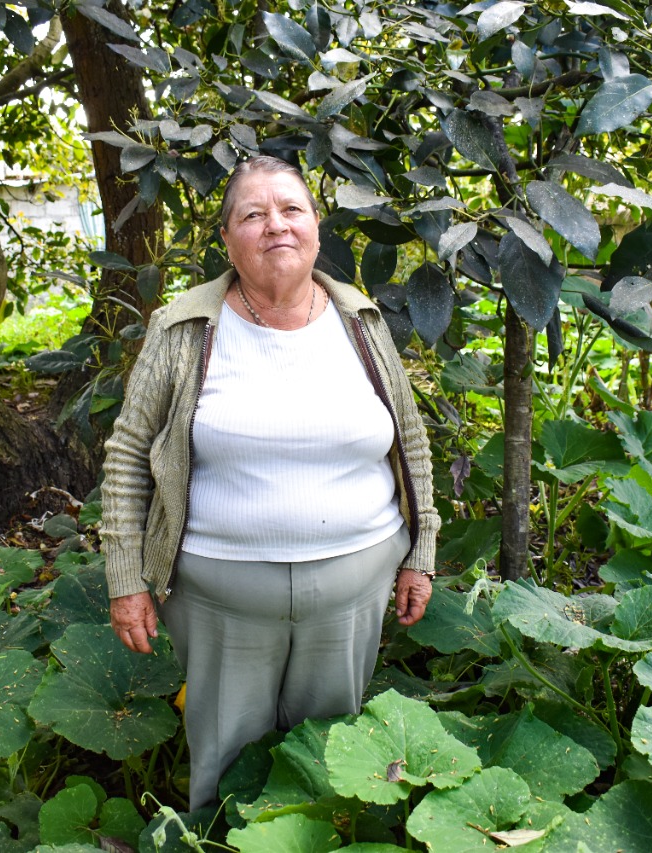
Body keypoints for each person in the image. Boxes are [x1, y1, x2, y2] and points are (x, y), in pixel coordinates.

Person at [99, 154, 439, 811]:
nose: (274, 225)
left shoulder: (362, 323)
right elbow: (127, 455)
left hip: (353, 590)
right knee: (227, 769)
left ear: (316, 225)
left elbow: (411, 444)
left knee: (330, 761)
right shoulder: (183, 328)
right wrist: (125, 579)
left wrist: (421, 555)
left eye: (290, 209)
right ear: (227, 238)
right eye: (252, 214)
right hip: (220, 596)